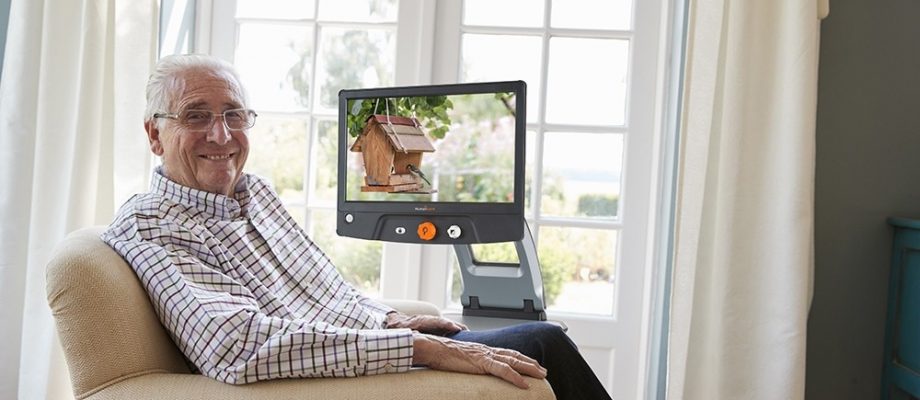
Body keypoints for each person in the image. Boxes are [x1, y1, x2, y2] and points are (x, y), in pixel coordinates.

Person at [102, 54, 611, 400]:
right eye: (197, 116)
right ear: (154, 134)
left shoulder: (255, 194)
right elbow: (237, 346)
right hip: (324, 382)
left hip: (368, 348)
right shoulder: (151, 224)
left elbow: (330, 294)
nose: (223, 134)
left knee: (542, 335)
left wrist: (391, 321)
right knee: (543, 343)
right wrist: (418, 347)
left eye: (234, 114)